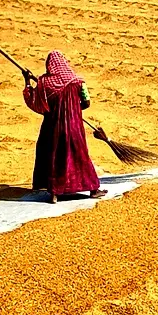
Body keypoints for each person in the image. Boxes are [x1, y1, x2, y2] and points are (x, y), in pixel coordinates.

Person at [22, 52, 106, 204]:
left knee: (54, 157)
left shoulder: (44, 83)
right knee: (79, 156)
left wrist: (28, 82)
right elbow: (86, 102)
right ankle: (93, 189)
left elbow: (36, 104)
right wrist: (74, 109)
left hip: (52, 128)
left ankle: (54, 193)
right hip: (74, 126)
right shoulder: (78, 81)